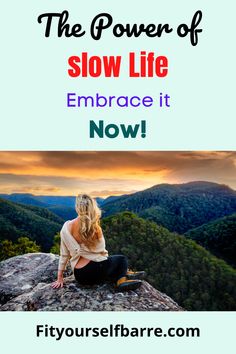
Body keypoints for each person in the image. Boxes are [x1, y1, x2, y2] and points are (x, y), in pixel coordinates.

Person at [52, 194, 145, 291]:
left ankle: (125, 272)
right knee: (121, 259)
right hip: (97, 271)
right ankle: (121, 280)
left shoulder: (66, 228)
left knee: (108, 264)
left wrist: (60, 278)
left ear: (77, 207)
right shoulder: (94, 227)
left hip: (80, 276)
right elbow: (101, 250)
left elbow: (64, 254)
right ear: (92, 207)